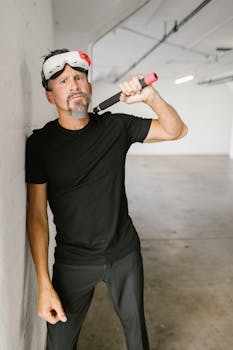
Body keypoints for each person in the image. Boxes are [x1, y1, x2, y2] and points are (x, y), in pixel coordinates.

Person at [25, 48, 188, 350]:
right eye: (62, 81)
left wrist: (150, 97)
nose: (73, 84)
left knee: (136, 334)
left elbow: (176, 130)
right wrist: (43, 284)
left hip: (123, 253)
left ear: (88, 87)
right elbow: (36, 216)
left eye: (78, 77)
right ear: (51, 97)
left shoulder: (116, 126)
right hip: (73, 261)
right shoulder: (40, 145)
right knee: (58, 343)